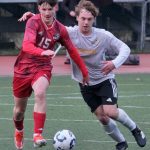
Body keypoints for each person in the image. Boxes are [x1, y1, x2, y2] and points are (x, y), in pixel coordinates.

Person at [19, 1, 146, 150]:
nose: (86, 22)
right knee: (102, 118)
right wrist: (34, 16)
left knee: (110, 111)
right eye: (83, 19)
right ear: (77, 18)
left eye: (89, 19)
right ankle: (121, 142)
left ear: (94, 19)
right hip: (85, 84)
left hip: (104, 79)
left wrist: (114, 63)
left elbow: (125, 49)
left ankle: (135, 130)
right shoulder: (69, 33)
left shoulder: (103, 35)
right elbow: (49, 24)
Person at [13, 0, 89, 149]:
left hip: (43, 67)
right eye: (44, 9)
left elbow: (72, 51)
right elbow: (26, 46)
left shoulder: (60, 29)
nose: (47, 12)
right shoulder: (33, 22)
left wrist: (84, 72)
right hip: (23, 69)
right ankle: (19, 130)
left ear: (56, 7)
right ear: (39, 8)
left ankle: (37, 135)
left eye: (50, 9)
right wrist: (42, 51)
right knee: (18, 112)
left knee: (40, 92)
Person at [62, 0, 80, 64]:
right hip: (70, 20)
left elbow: (85, 5)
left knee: (80, 38)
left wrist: (79, 13)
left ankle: (79, 57)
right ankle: (69, 57)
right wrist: (70, 12)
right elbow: (63, 6)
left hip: (80, 20)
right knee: (69, 39)